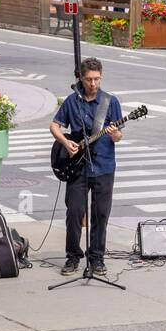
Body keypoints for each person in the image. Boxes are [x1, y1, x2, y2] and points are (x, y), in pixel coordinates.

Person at [49, 57, 123, 277]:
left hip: (104, 166)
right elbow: (54, 125)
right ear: (81, 78)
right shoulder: (72, 101)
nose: (93, 84)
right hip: (78, 167)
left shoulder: (111, 102)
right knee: (74, 212)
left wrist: (115, 133)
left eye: (97, 79)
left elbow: (119, 136)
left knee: (101, 214)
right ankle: (72, 256)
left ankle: (97, 258)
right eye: (89, 79)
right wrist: (65, 142)